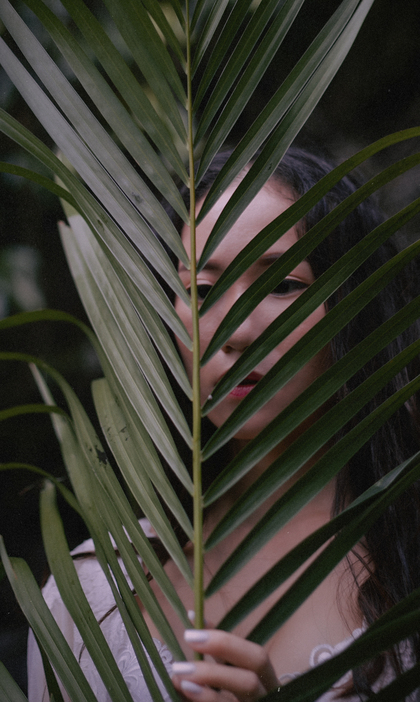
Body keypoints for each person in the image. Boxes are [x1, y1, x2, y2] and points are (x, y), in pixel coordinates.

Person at [27, 147, 420, 701]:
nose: (236, 330)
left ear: (354, 303)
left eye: (281, 284)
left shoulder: (407, 560)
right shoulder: (93, 594)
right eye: (203, 291)